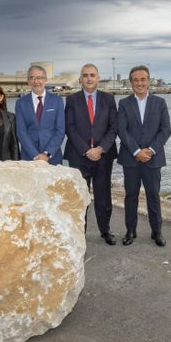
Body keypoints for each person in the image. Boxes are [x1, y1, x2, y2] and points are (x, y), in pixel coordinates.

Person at [116, 65, 171, 247]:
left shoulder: (160, 103)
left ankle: (157, 231)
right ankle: (130, 231)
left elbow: (166, 130)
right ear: (131, 83)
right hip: (130, 159)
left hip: (153, 159)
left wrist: (151, 150)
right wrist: (137, 151)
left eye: (143, 79)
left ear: (149, 81)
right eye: (136, 80)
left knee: (153, 196)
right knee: (130, 195)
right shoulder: (123, 104)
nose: (140, 83)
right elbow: (122, 131)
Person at [64, 63, 118, 245]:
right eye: (85, 75)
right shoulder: (71, 100)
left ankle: (105, 230)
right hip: (79, 156)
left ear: (97, 78)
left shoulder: (109, 99)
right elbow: (70, 128)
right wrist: (86, 150)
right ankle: (80, 233)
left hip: (104, 156)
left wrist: (101, 148)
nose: (89, 78)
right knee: (80, 197)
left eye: (92, 75)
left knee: (103, 197)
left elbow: (113, 127)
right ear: (80, 79)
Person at [14, 65, 65, 164]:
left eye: (39, 78)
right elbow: (21, 132)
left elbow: (60, 131)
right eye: (32, 78)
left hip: (52, 157)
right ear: (28, 81)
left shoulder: (57, 101)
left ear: (45, 80)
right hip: (29, 158)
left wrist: (47, 154)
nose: (36, 81)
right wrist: (35, 155)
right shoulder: (20, 103)